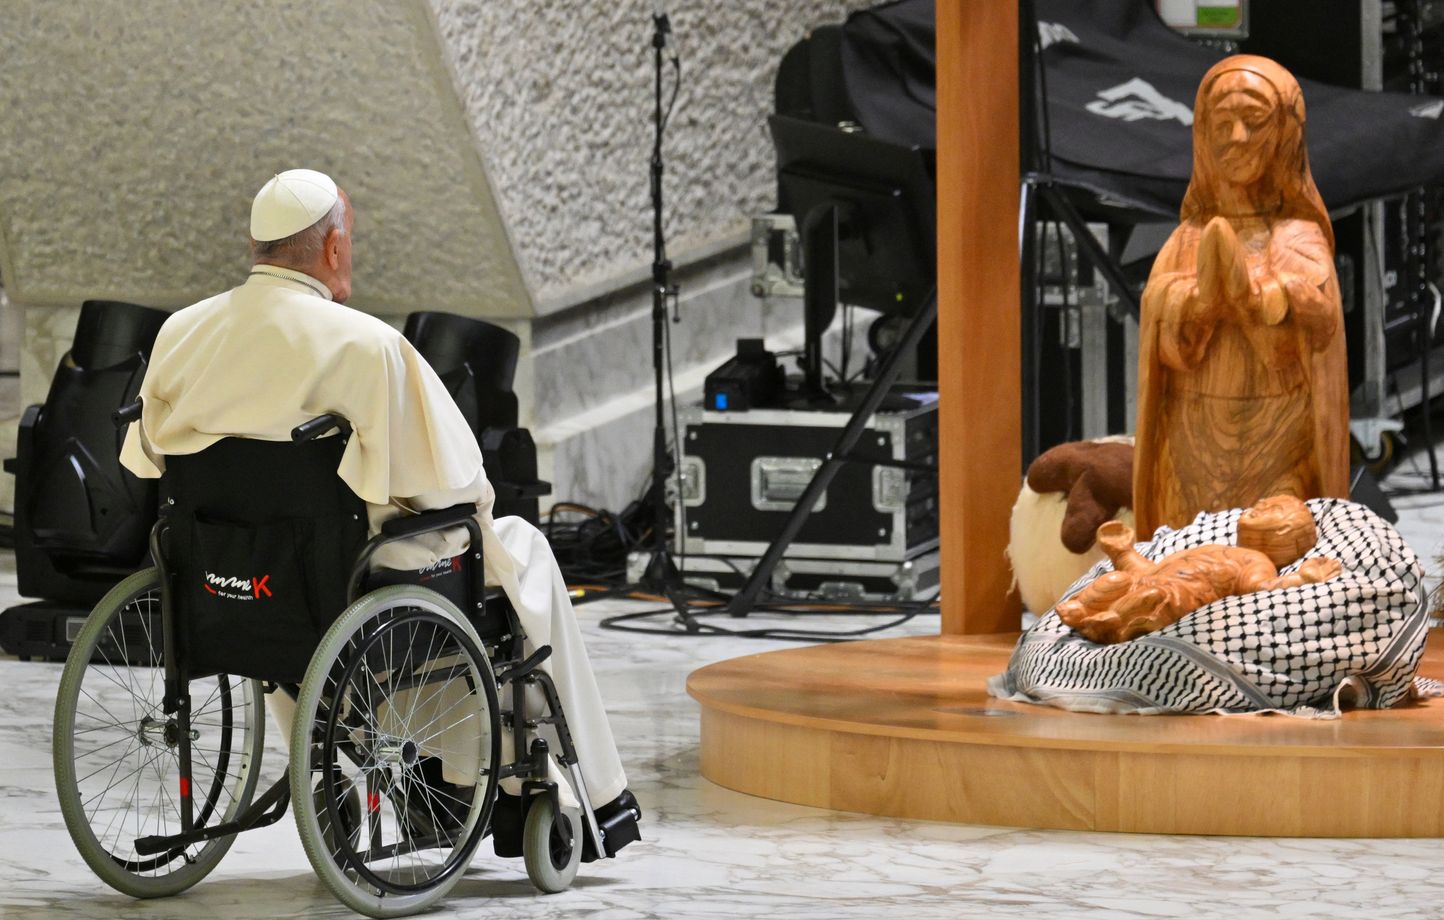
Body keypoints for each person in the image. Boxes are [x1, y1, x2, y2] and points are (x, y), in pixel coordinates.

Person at [120, 168, 638, 848]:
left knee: (294, 571)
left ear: (257, 244)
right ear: (333, 248)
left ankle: (385, 781)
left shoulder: (181, 333)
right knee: (513, 552)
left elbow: (144, 458)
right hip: (338, 580)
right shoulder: (365, 345)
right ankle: (584, 796)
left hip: (230, 580)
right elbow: (453, 488)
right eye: (351, 242)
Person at [1134, 55, 1349, 538]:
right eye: (1221, 123)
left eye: (1253, 122)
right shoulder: (1188, 236)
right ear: (1202, 134)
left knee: (1272, 555)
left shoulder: (1297, 233)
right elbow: (1156, 321)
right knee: (1188, 556)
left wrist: (1264, 301)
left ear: (1285, 134)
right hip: (1193, 434)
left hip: (1278, 435)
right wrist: (1194, 306)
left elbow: (1320, 320)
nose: (1236, 138)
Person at [1055, 494, 1341, 644]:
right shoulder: (1211, 547)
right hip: (1151, 583)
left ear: (1285, 533)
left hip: (1176, 598)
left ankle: (1111, 623)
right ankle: (1083, 608)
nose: (1262, 504)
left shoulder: (1256, 562)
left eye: (1274, 509)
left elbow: (1261, 589)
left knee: (1153, 594)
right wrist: (1124, 551)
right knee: (1118, 578)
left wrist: (1301, 578)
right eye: (1265, 501)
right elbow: (1153, 570)